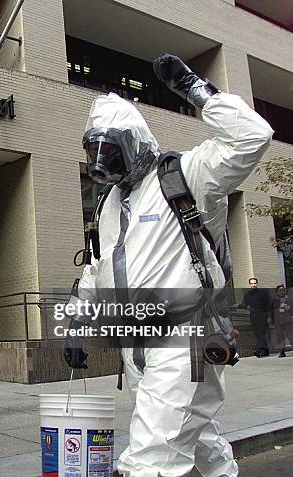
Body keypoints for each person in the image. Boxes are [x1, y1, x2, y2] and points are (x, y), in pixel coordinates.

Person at [65, 53, 273, 477]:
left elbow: (252, 137)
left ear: (134, 141)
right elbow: (96, 270)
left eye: (111, 148)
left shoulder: (184, 176)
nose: (102, 160)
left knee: (153, 454)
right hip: (136, 346)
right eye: (94, 149)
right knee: (198, 437)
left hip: (186, 338)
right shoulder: (108, 205)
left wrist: (196, 90)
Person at [237, 278, 272, 357]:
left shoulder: (262, 293)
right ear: (249, 285)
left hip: (262, 315)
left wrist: (269, 317)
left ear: (257, 283)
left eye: (255, 283)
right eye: (252, 283)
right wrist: (238, 306)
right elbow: (244, 305)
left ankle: (259, 350)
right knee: (258, 334)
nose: (253, 285)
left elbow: (268, 305)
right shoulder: (247, 295)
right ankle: (265, 351)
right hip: (253, 316)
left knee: (261, 333)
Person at [272, 285, 293, 358]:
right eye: (280, 291)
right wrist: (271, 320)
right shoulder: (274, 300)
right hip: (278, 321)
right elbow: (272, 311)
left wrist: (289, 308)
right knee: (280, 337)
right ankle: (282, 352)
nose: (281, 292)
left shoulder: (289, 299)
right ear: (277, 292)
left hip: (288, 320)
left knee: (291, 335)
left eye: (283, 290)